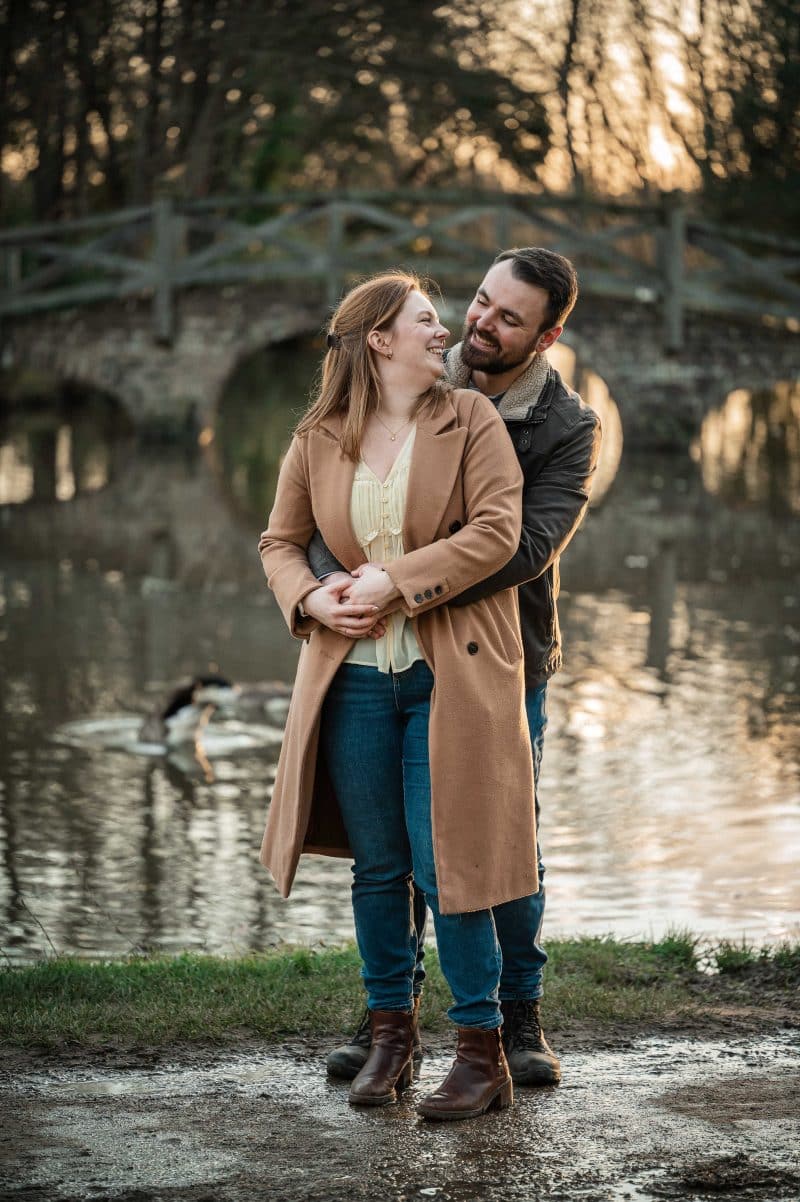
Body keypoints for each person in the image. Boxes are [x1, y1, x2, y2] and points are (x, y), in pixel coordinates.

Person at [286, 247, 602, 1088]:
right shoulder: (415, 374)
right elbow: (332, 511)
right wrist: (331, 585)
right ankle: (391, 1019)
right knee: (392, 846)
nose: (479, 323)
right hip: (380, 646)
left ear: (547, 335)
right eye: (479, 302)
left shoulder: (564, 426)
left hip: (506, 648)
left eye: (508, 317)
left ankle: (515, 1021)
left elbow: (523, 546)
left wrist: (401, 580)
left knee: (498, 836)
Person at [258, 271, 539, 1121]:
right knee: (380, 872)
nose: (444, 330)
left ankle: (481, 1050)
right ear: (379, 339)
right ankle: (390, 1036)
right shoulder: (318, 436)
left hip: (448, 676)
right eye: (426, 319)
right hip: (350, 684)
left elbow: (498, 532)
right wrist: (310, 598)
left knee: (449, 866)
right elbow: (280, 542)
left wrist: (395, 582)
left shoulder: (473, 419)